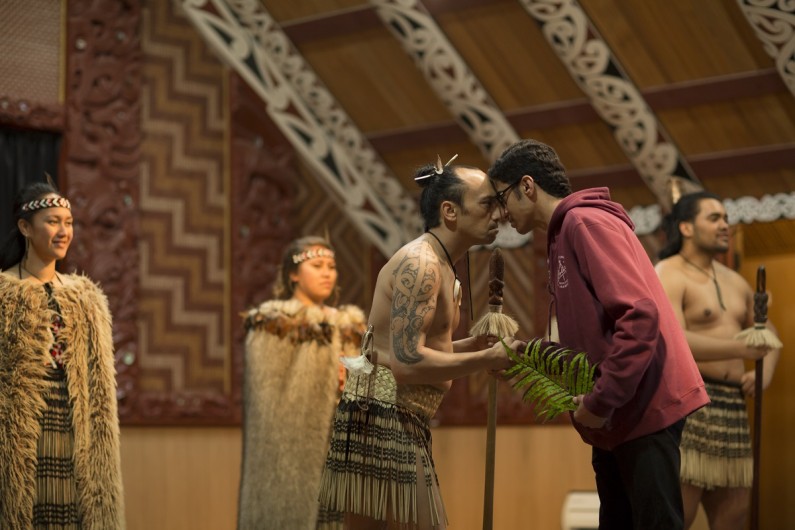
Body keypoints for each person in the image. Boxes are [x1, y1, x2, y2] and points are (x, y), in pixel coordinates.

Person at [487, 139, 709, 530]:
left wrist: (601, 400)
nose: (502, 212)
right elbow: (592, 335)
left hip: (640, 403)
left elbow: (639, 317)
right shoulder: (561, 233)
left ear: (527, 186)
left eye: (503, 198)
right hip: (619, 409)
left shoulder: (584, 222)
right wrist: (532, 354)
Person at [317, 158, 513, 530]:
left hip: (399, 417)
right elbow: (407, 364)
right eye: (487, 203)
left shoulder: (441, 263)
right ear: (450, 211)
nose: (499, 213)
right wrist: (487, 356)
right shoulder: (420, 264)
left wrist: (474, 346)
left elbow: (416, 349)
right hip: (383, 416)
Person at [0, 181, 125, 529]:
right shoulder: (4, 294)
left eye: (68, 222)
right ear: (25, 227)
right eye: (53, 221)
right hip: (21, 440)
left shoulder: (86, 299)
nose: (63, 231)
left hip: (75, 433)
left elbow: (100, 393)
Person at [655, 191, 779, 530]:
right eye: (714, 218)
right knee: (679, 513)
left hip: (733, 408)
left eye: (726, 218)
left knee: (735, 516)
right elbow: (671, 340)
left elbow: (770, 333)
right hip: (689, 404)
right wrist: (742, 350)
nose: (725, 225)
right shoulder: (669, 273)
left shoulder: (735, 282)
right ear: (686, 227)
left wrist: (763, 372)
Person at [237, 235, 367, 530]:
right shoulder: (274, 324)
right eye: (317, 265)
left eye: (332, 266)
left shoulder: (350, 325)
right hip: (292, 448)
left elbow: (367, 383)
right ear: (293, 274)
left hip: (343, 445)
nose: (327, 273)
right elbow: (265, 397)